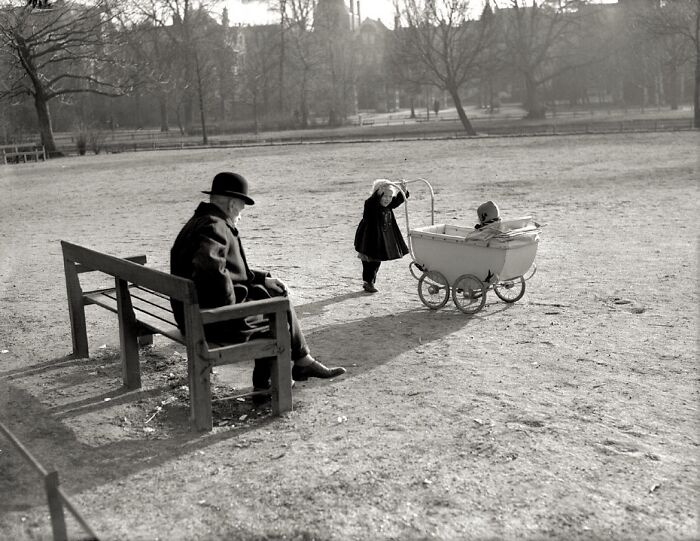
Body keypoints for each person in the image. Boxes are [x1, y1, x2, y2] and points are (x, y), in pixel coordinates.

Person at [170, 172, 346, 396]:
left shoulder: (200, 222)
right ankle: (292, 368)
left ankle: (282, 374)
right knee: (278, 314)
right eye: (242, 207)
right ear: (233, 204)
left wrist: (262, 278)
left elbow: (225, 271)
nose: (242, 214)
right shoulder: (215, 227)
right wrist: (232, 305)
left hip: (192, 314)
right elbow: (209, 269)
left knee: (267, 294)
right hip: (212, 321)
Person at [353, 179, 409, 293]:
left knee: (376, 261)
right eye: (384, 196)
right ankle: (368, 282)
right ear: (378, 194)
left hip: (380, 239)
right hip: (369, 239)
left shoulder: (389, 204)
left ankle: (370, 282)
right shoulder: (371, 205)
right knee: (369, 261)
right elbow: (371, 202)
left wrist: (403, 190)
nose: (387, 199)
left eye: (390, 196)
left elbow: (398, 200)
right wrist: (378, 191)